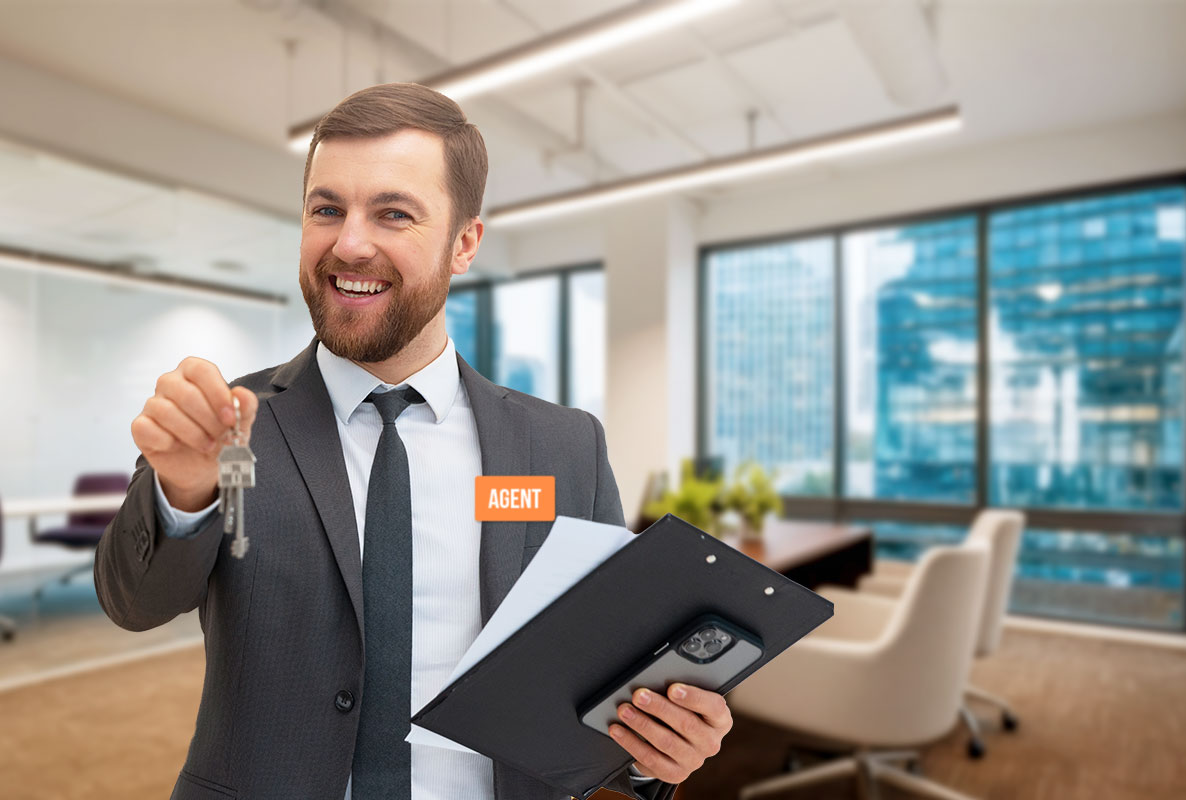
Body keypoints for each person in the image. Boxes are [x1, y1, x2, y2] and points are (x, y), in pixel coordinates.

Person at [95, 83, 732, 800]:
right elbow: (134, 603)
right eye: (326, 209)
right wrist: (183, 492)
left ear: (465, 243)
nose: (350, 243)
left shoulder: (564, 447)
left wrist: (652, 747)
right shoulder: (231, 423)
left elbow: (609, 668)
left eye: (393, 213)